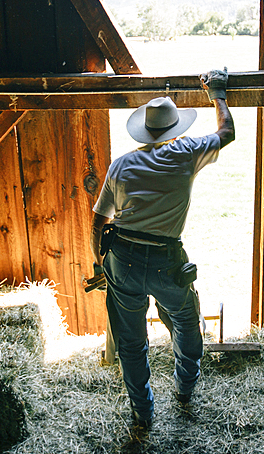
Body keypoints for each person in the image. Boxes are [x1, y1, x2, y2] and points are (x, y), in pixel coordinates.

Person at [90, 68, 234, 431]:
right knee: (186, 322)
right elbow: (226, 133)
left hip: (122, 258)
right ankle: (185, 389)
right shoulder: (186, 154)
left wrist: (100, 265)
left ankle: (143, 412)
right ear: (176, 129)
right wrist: (217, 92)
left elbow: (98, 223)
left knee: (132, 340)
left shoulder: (120, 166)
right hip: (167, 259)